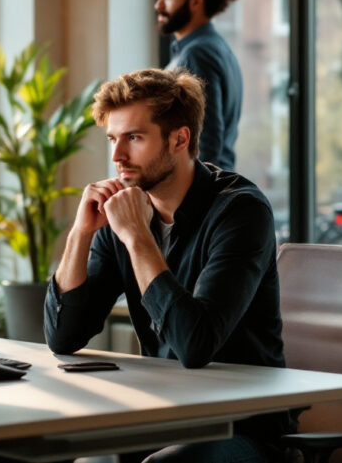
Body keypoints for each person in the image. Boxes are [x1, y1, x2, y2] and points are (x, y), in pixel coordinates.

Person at [44, 68, 294, 462]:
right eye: (112, 138)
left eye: (134, 138)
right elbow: (64, 336)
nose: (116, 156)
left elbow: (195, 345)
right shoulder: (121, 213)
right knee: (3, 457)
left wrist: (138, 238)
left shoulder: (240, 211)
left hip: (241, 425)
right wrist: (81, 232)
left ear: (180, 138)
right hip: (161, 412)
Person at [151, 0, 243, 171]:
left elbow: (206, 140)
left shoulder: (197, 54)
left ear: (195, 2)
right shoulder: (217, 47)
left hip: (201, 195)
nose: (159, 5)